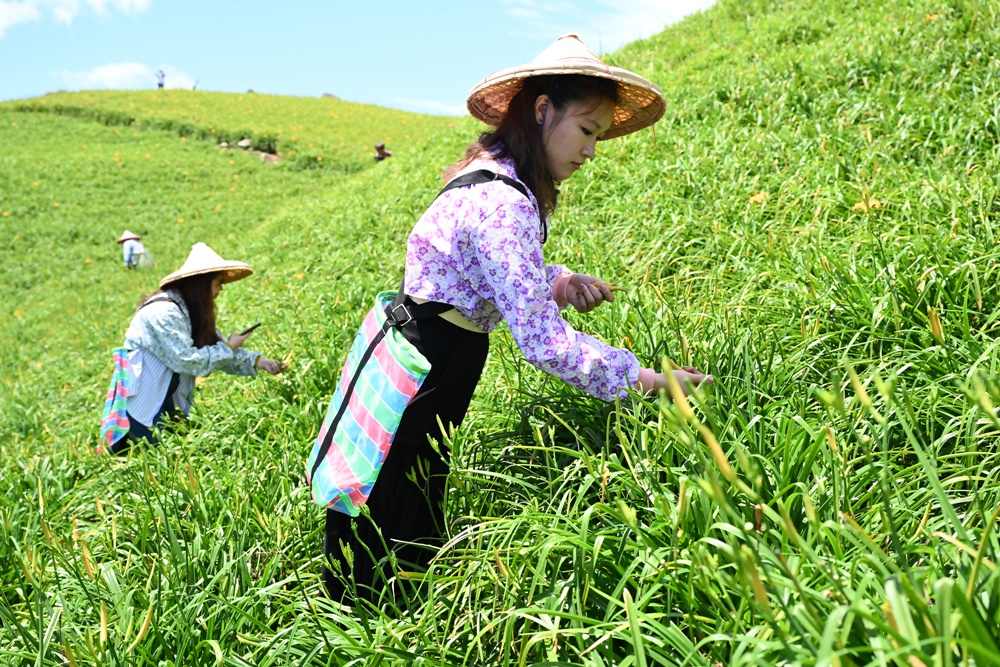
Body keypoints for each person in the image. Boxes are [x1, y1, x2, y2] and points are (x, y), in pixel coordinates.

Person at [321, 34, 712, 603]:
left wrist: (555, 281)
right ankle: (374, 624)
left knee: (399, 487)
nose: (591, 152)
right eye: (586, 130)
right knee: (400, 506)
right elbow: (543, 344)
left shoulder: (490, 172)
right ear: (542, 109)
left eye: (599, 137)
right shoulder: (505, 201)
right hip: (432, 360)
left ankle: (371, 617)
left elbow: (481, 269)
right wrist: (649, 382)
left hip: (419, 344)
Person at [101, 242, 284, 454]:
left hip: (163, 393)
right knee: (152, 459)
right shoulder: (164, 312)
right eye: (219, 282)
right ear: (202, 284)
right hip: (143, 397)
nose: (222, 288)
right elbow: (188, 361)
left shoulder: (188, 310)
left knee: (165, 456)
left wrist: (259, 362)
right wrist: (229, 347)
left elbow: (214, 348)